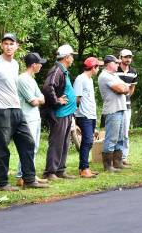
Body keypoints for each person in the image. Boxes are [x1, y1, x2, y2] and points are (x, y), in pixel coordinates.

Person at [0, 34, 47, 191]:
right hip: (1, 110)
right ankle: (1, 183)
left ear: (17, 46)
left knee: (28, 143)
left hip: (17, 109)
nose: (8, 46)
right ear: (2, 46)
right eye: (6, 43)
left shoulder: (15, 64)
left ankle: (29, 179)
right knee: (2, 147)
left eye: (11, 44)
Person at [41, 44, 77, 180]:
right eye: (71, 56)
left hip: (67, 113)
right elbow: (48, 87)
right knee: (56, 142)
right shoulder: (57, 70)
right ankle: (50, 172)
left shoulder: (63, 70)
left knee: (65, 142)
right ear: (66, 57)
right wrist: (57, 101)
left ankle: (60, 170)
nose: (73, 58)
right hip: (59, 113)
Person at [15, 52, 48, 183]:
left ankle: (30, 174)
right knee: (28, 148)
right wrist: (38, 99)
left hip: (35, 117)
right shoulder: (22, 79)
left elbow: (42, 98)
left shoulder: (32, 79)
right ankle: (20, 176)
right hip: (27, 118)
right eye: (40, 63)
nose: (41, 66)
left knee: (34, 147)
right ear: (34, 65)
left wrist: (38, 99)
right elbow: (33, 101)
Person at [98, 55, 130, 172]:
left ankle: (117, 162)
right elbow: (122, 89)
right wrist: (124, 88)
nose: (118, 64)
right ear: (109, 64)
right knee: (111, 138)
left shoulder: (113, 75)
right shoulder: (105, 76)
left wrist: (124, 87)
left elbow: (126, 87)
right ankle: (108, 166)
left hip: (120, 108)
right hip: (112, 110)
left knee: (120, 137)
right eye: (116, 63)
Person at [74, 57, 104, 178]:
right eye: (98, 67)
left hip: (91, 115)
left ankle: (84, 167)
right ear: (93, 67)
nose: (98, 69)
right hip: (83, 115)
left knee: (89, 141)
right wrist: (75, 116)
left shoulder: (90, 80)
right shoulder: (80, 79)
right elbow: (77, 98)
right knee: (87, 141)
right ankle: (84, 168)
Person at [116, 49, 137, 166]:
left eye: (129, 57)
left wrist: (127, 96)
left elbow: (132, 88)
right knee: (115, 132)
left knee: (125, 132)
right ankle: (115, 157)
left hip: (127, 106)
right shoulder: (114, 71)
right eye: (125, 57)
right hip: (115, 106)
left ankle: (123, 157)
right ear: (120, 57)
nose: (128, 59)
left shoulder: (133, 72)